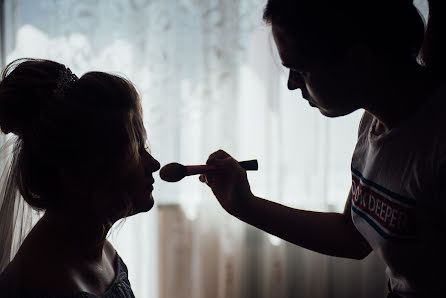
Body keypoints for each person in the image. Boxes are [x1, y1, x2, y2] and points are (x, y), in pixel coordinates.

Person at [200, 0, 446, 297]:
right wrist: (245, 205)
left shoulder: (435, 148)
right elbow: (353, 235)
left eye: (300, 69)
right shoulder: (374, 121)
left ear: (359, 62)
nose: (291, 84)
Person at [0, 58, 160, 297]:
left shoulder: (102, 252)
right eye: (134, 149)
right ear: (82, 172)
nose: (154, 164)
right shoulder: (47, 286)